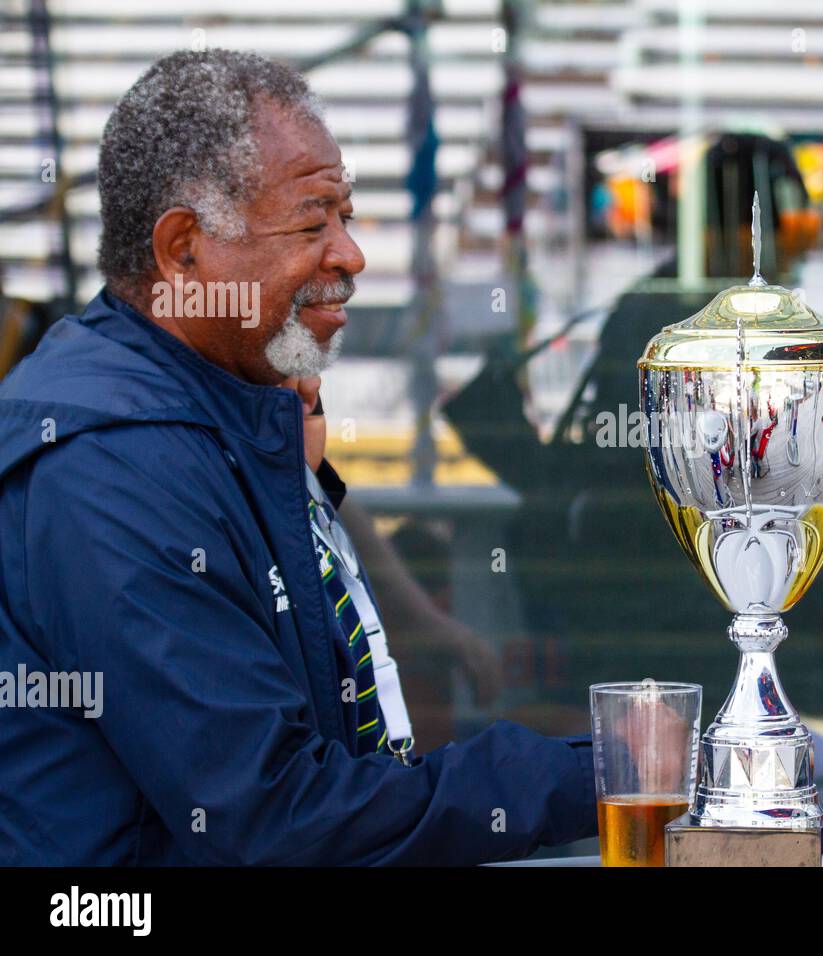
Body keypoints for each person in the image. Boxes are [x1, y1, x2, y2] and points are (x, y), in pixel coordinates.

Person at [0, 49, 595, 865]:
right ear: (183, 253)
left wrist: (420, 624)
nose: (350, 255)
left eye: (347, 216)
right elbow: (276, 818)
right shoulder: (111, 470)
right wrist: (589, 776)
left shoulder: (228, 396)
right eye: (313, 221)